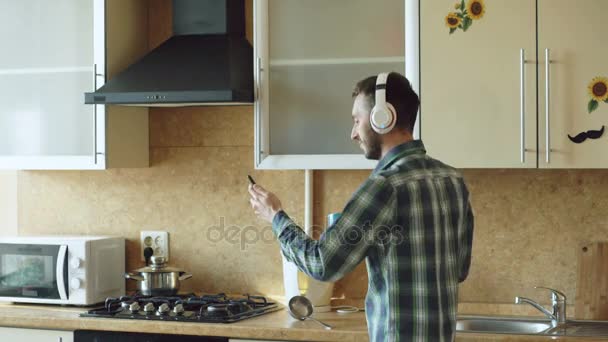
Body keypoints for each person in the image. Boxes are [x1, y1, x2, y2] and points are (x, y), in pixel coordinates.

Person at [248, 71, 474, 341]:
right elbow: (459, 269)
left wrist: (275, 217)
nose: (353, 133)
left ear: (383, 118)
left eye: (357, 120)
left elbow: (323, 264)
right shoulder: (452, 179)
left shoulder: (385, 187)